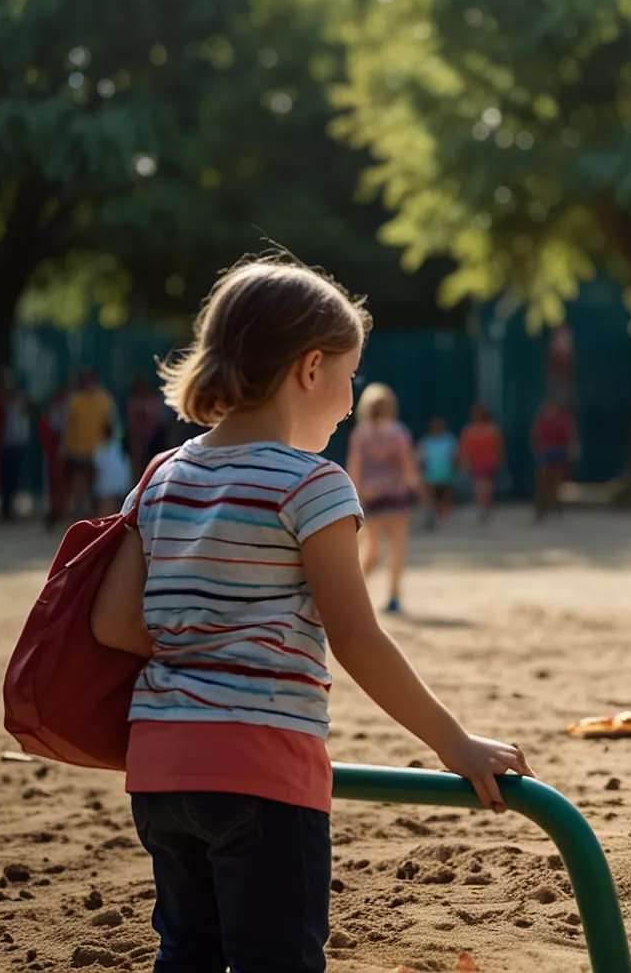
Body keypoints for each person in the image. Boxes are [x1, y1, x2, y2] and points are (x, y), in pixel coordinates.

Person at [87, 257, 530, 971]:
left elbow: (112, 623)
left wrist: (204, 641)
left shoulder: (163, 474)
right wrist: (454, 743)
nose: (352, 401)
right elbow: (356, 637)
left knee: (185, 953)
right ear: (310, 368)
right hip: (261, 768)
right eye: (350, 376)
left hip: (161, 770)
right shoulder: (312, 485)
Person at [348, 382, 421, 613]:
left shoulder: (360, 434)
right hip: (396, 497)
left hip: (371, 499)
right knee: (397, 550)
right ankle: (394, 596)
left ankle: (351, 594)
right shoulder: (398, 431)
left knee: (371, 551)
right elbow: (408, 465)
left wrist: (353, 498)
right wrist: (417, 487)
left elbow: (355, 468)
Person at [61, 369, 116, 522]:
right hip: (78, 452)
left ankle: (95, 518)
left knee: (98, 487)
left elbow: (110, 424)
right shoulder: (74, 401)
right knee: (79, 486)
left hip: (99, 452)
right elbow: (68, 427)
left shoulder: (104, 399)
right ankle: (80, 517)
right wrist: (66, 447)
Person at [529, 398, 577, 521]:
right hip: (546, 451)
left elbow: (571, 434)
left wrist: (571, 450)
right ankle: (542, 505)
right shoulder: (542, 419)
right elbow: (536, 433)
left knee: (557, 479)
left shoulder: (564, 419)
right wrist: (537, 448)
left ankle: (554, 503)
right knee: (543, 478)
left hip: (559, 450)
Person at [458, 404, 503, 525]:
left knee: (488, 487)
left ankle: (485, 507)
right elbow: (464, 447)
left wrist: (497, 460)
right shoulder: (469, 429)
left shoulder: (492, 429)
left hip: (489, 462)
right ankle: (482, 508)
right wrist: (464, 462)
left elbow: (498, 446)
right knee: (478, 487)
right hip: (475, 463)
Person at [0, 380, 32, 520]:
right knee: (6, 478)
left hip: (18, 445)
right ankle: (6, 508)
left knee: (14, 478)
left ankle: (10, 507)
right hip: (7, 445)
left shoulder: (21, 408)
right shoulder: (6, 407)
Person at [418, 415, 459, 528]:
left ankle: (443, 516)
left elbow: (455, 457)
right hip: (430, 475)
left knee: (444, 496)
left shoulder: (450, 440)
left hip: (446, 474)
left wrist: (456, 468)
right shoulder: (426, 441)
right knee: (430, 496)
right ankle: (430, 516)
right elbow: (420, 458)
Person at [128, 375, 171, 473]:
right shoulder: (135, 404)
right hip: (141, 441)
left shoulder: (155, 400)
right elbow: (134, 427)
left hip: (157, 438)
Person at [39, 384, 68, 528]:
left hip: (65, 451)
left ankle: (59, 511)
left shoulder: (68, 408)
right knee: (53, 482)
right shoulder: (54, 411)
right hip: (54, 452)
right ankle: (53, 512)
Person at [91, 420, 133, 516]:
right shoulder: (104, 449)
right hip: (109, 485)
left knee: (111, 507)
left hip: (111, 485)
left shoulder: (114, 448)